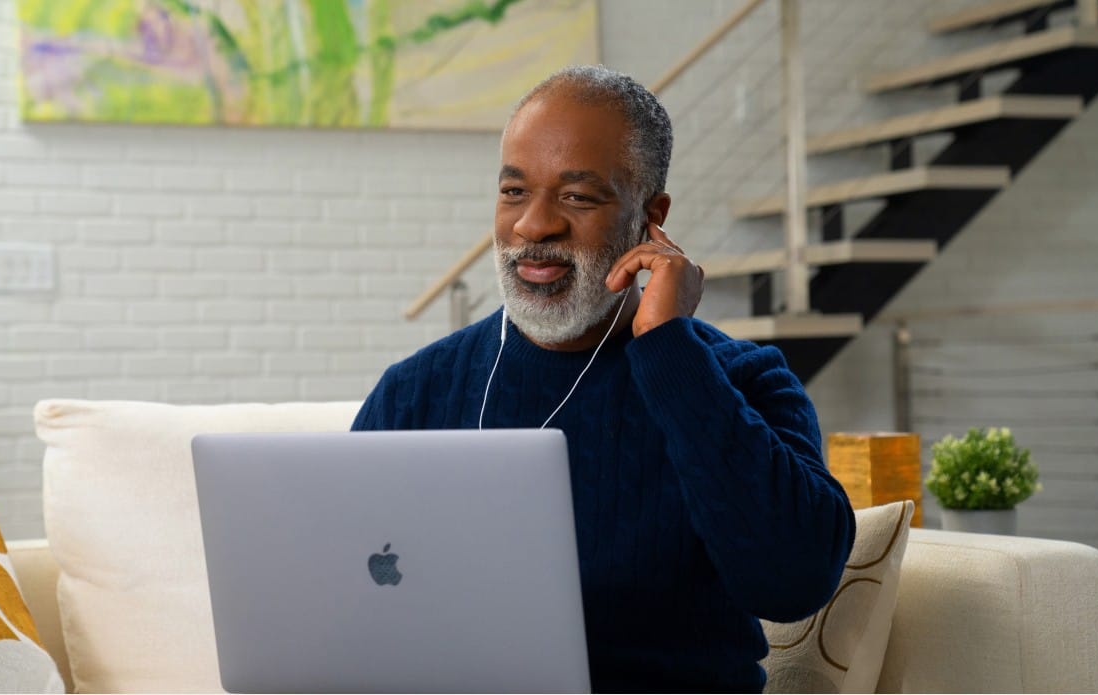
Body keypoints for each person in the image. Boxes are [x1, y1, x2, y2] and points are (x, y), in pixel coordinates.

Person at [352, 64, 855, 693]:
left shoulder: (740, 380)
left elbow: (793, 581)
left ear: (651, 216)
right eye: (514, 192)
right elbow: (351, 601)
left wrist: (670, 351)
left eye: (577, 196)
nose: (534, 226)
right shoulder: (413, 391)